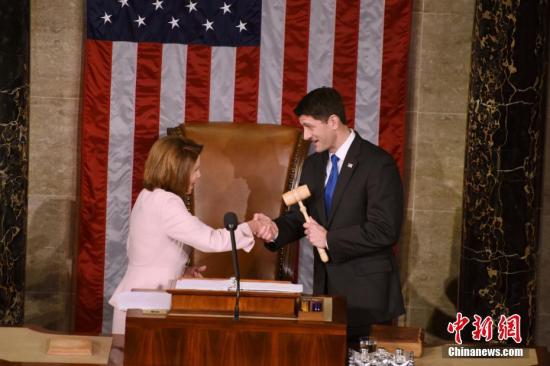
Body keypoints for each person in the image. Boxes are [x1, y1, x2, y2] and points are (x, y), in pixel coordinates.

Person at [254, 87, 405, 339]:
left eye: (310, 126)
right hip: (327, 297)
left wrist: (329, 240)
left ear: (333, 121)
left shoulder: (378, 164)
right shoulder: (313, 165)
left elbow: (385, 230)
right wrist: (275, 229)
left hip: (368, 299)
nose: (305, 136)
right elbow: (301, 216)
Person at [109, 136, 264, 334]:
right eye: (195, 170)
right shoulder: (167, 202)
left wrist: (181, 270)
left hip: (138, 299)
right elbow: (211, 241)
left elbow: (152, 252)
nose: (199, 176)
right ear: (178, 171)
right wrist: (252, 227)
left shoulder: (147, 195)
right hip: (149, 303)